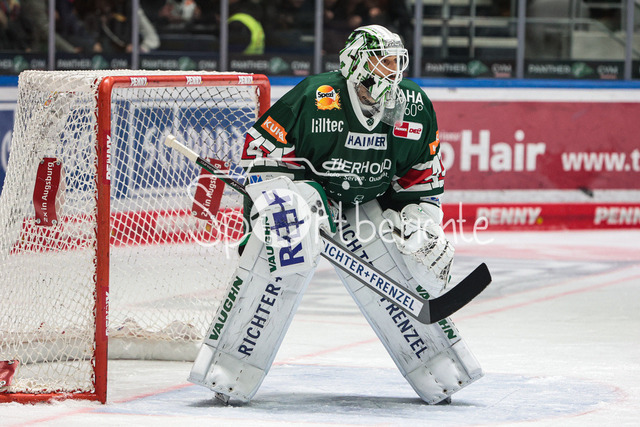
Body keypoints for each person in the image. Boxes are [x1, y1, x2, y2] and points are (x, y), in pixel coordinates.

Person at [188, 25, 483, 405]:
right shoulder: (316, 96)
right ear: (356, 62)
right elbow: (260, 155)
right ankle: (227, 373)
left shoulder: (413, 105)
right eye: (383, 61)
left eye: (397, 61)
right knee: (285, 248)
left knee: (409, 257)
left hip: (366, 202)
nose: (393, 70)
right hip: (304, 194)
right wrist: (284, 199)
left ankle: (440, 372)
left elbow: (421, 178)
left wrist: (422, 220)